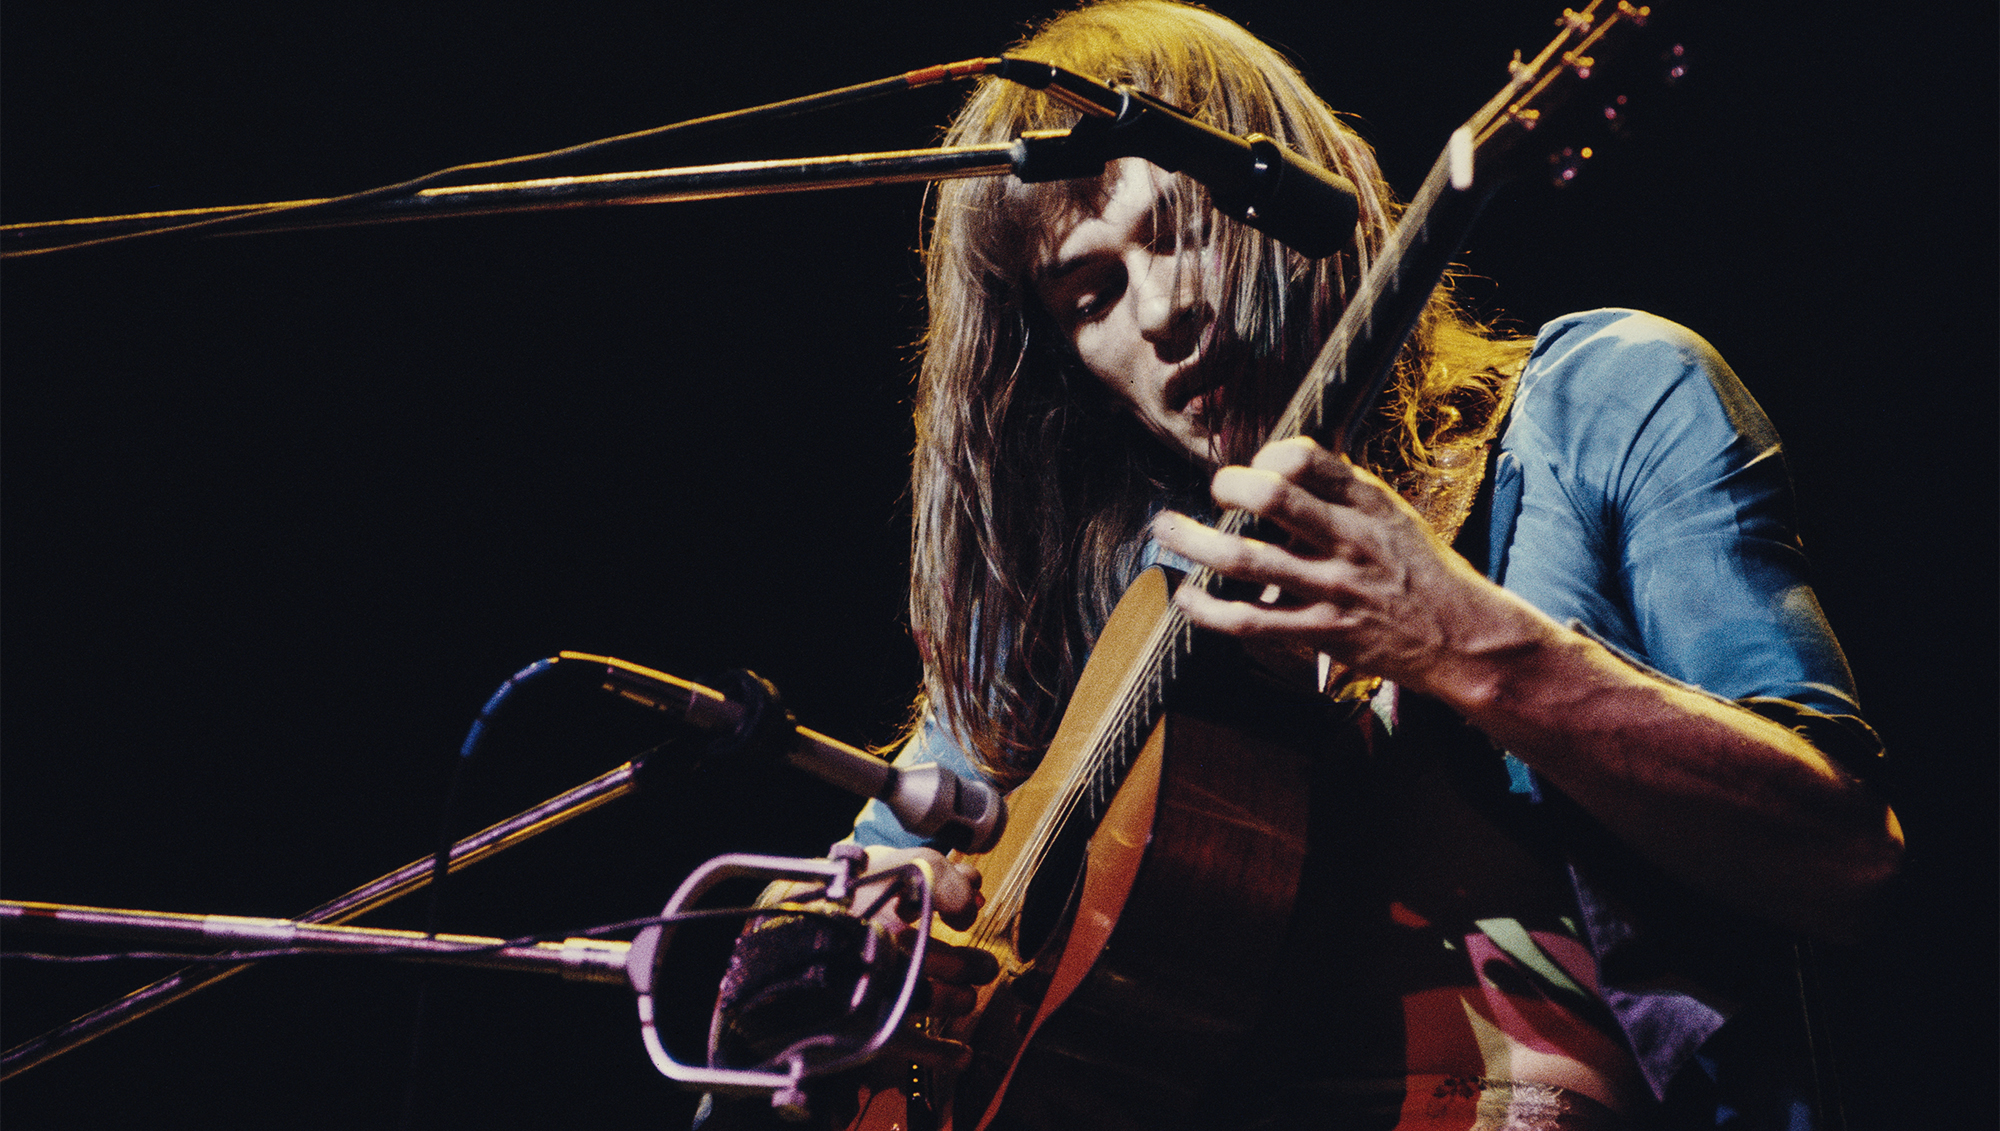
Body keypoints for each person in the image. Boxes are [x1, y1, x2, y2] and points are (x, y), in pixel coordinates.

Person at [736, 3, 1904, 1128]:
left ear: (1284, 191)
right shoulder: (1085, 604)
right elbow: (838, 912)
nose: (1156, 318)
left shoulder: (1598, 404)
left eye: (1174, 231)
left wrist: (1465, 644)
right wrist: (865, 955)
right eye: (1089, 295)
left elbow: (1845, 861)